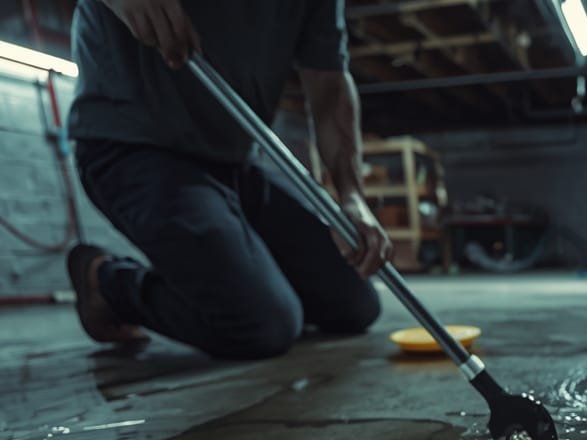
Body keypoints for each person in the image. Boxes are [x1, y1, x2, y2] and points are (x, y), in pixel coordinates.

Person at [65, 0, 391, 358]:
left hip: (234, 162)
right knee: (262, 324)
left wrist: (351, 196)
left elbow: (329, 84)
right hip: (134, 148)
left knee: (354, 304)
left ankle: (244, 279)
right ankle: (106, 283)